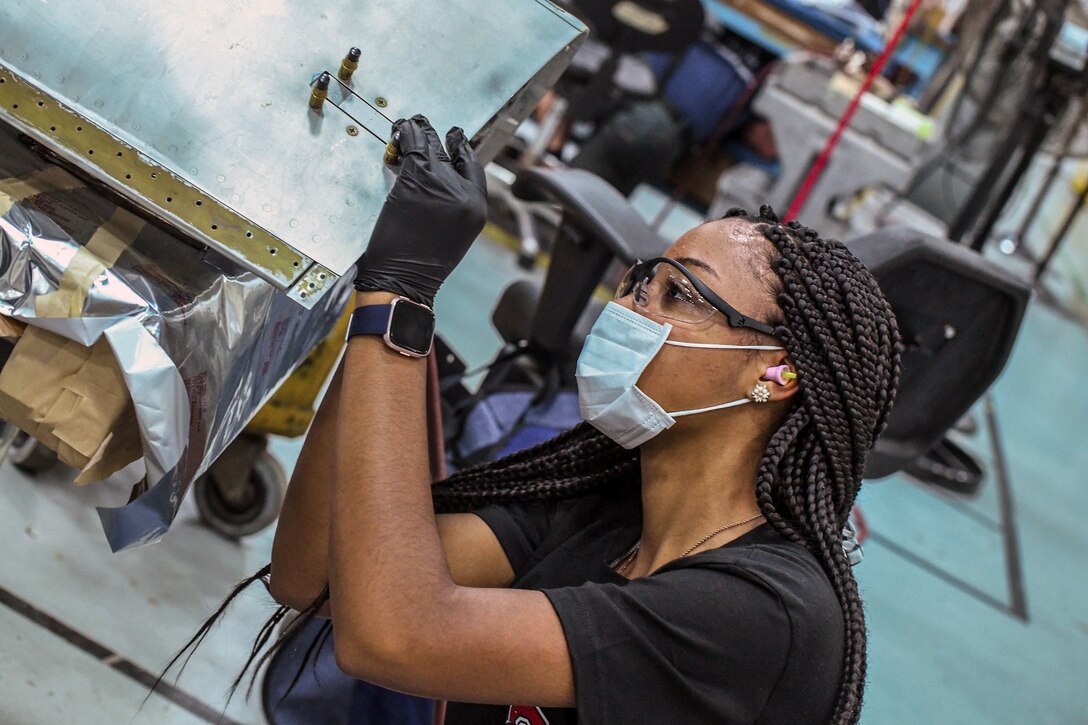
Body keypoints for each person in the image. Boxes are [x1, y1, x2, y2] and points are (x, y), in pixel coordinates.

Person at [172, 115, 901, 724]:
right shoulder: (612, 513)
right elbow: (314, 576)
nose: (630, 307)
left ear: (776, 374)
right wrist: (381, 292)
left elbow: (395, 635)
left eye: (678, 294)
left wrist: (402, 298)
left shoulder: (759, 615)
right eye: (642, 281)